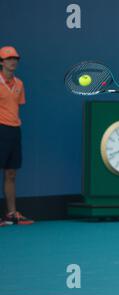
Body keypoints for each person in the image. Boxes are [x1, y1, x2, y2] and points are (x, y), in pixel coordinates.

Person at [0, 46, 34, 226]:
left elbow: (16, 107)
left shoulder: (19, 84)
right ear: (1, 62)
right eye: (8, 59)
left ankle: (11, 214)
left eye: (15, 59)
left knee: (11, 173)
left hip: (14, 130)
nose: (13, 62)